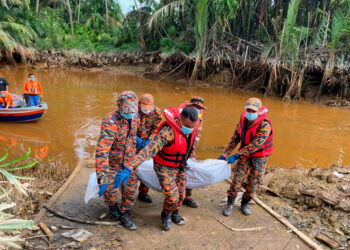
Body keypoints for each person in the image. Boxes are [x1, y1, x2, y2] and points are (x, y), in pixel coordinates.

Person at [114, 105, 199, 231]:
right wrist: (131, 166)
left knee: (181, 195)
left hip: (179, 165)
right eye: (187, 126)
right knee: (172, 196)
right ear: (180, 119)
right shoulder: (167, 132)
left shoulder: (192, 128)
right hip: (164, 166)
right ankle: (166, 216)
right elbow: (149, 150)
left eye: (192, 127)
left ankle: (173, 212)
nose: (190, 129)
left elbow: (189, 146)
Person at [219, 98, 273, 217]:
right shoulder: (243, 121)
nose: (250, 113)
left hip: (259, 157)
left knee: (254, 182)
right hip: (244, 155)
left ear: (259, 111)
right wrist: (225, 153)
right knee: (237, 179)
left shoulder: (264, 125)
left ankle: (245, 203)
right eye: (248, 110)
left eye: (253, 111)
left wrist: (236, 155)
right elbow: (235, 138)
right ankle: (230, 204)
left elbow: (255, 145)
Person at [95, 91, 140, 231]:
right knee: (110, 193)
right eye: (127, 110)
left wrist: (139, 142)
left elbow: (132, 137)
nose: (130, 113)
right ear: (119, 107)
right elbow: (102, 150)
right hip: (113, 164)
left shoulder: (135, 117)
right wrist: (102, 177)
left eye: (133, 110)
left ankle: (125, 213)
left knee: (130, 190)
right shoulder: (111, 121)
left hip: (129, 163)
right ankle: (112, 206)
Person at [136, 93, 163, 203]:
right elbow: (126, 126)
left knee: (147, 166)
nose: (146, 109)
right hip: (133, 142)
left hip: (148, 144)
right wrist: (134, 138)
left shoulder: (156, 112)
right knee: (130, 166)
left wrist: (150, 140)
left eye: (149, 107)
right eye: (144, 107)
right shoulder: (133, 110)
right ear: (139, 104)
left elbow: (158, 128)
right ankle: (126, 189)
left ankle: (143, 192)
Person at [182, 96, 206, 208]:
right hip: (178, 146)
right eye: (195, 106)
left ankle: (188, 196)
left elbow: (198, 134)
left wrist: (191, 150)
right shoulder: (182, 114)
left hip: (190, 148)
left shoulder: (200, 117)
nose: (197, 109)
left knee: (191, 169)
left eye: (199, 107)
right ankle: (176, 194)